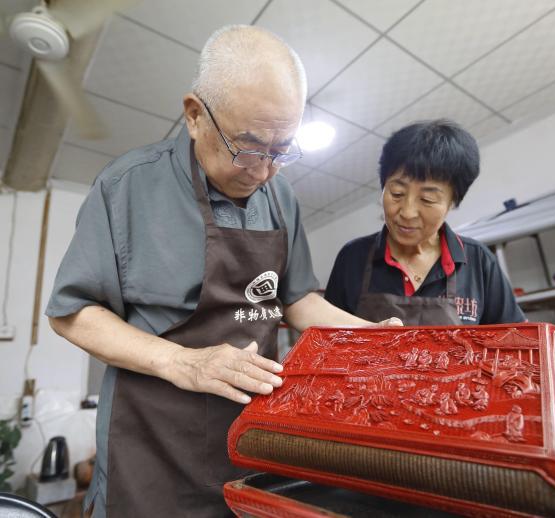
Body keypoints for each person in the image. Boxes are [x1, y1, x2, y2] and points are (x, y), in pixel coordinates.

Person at [46, 26, 399, 518]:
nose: (264, 171)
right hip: (150, 448)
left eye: (281, 152)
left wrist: (373, 338)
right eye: (249, 148)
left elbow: (296, 298)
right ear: (194, 116)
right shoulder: (127, 187)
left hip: (252, 438)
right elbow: (71, 312)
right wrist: (181, 362)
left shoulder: (281, 197)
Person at [325, 119, 525, 326]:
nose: (408, 212)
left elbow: (513, 342)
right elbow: (328, 341)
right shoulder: (352, 257)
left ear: (452, 202)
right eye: (397, 193)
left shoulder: (478, 260)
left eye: (427, 199)